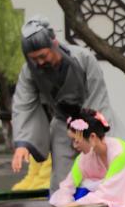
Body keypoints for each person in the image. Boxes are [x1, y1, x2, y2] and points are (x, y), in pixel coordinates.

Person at [11, 16, 119, 191]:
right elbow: (23, 104)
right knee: (63, 181)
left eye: (43, 56)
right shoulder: (29, 71)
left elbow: (98, 97)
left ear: (54, 42)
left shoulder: (83, 58)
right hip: (63, 124)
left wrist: (91, 132)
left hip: (96, 124)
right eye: (34, 59)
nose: (39, 62)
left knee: (108, 173)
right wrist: (22, 144)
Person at [48, 104, 125, 207]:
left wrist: (74, 205)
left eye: (76, 140)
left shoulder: (120, 152)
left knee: (90, 195)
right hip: (116, 192)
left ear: (92, 137)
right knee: (80, 192)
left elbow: (108, 192)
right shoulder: (84, 158)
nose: (74, 146)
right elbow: (67, 185)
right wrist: (66, 203)